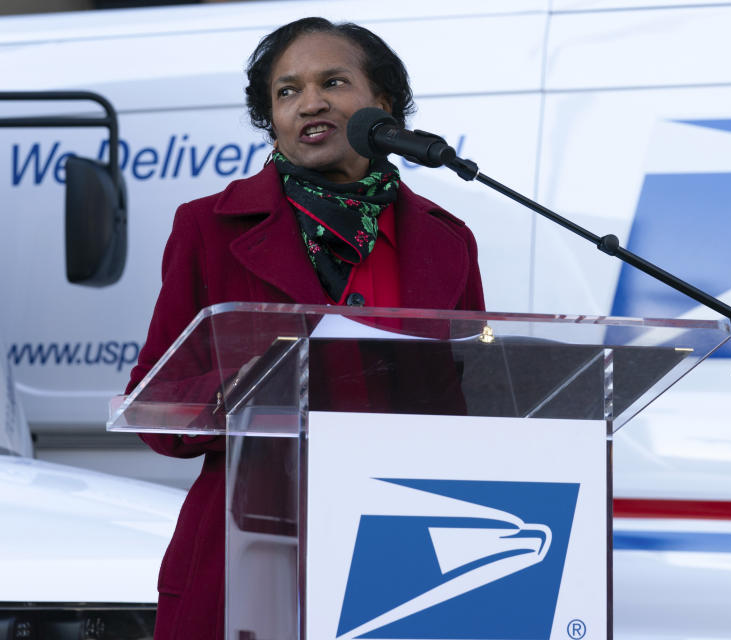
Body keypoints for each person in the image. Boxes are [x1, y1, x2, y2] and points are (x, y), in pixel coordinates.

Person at [125, 17, 484, 640]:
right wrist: (255, 383)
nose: (309, 103)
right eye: (286, 92)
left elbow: (474, 399)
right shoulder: (208, 229)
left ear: (384, 106)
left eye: (334, 82)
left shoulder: (445, 240)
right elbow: (156, 402)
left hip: (403, 552)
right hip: (252, 554)